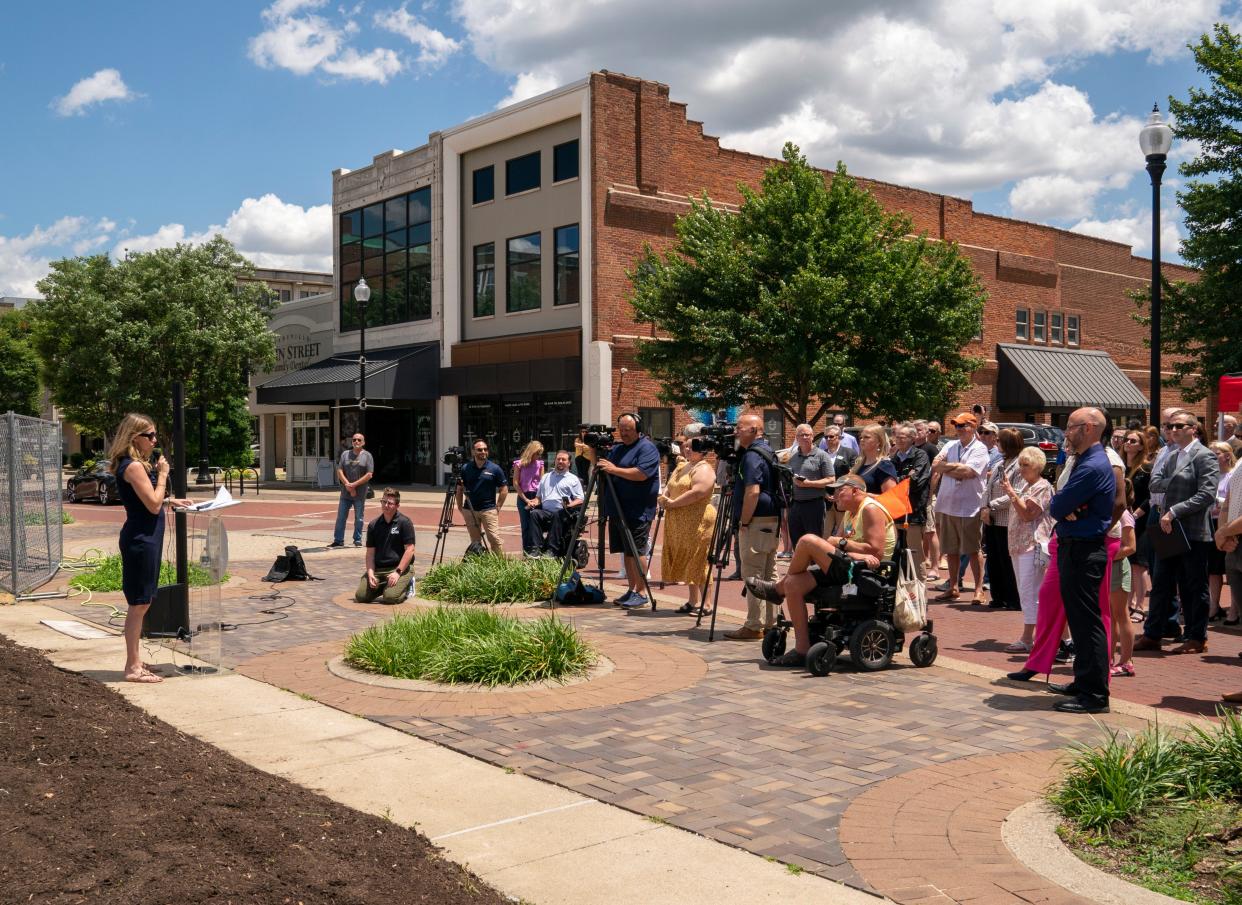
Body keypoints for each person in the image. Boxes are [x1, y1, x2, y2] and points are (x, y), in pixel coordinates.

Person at [745, 474, 896, 666]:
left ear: (856, 490)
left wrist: (840, 542)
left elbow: (876, 551)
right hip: (850, 564)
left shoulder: (871, 509)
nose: (835, 495)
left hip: (867, 573)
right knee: (793, 584)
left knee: (808, 540)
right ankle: (802, 649)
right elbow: (840, 547)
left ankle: (776, 590)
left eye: (840, 490)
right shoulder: (850, 512)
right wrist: (841, 544)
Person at [109, 414, 192, 683]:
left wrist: (171, 500)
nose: (155, 441)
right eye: (151, 436)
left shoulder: (135, 465)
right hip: (140, 540)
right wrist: (164, 475)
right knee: (139, 604)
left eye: (155, 435)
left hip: (147, 537)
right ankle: (132, 668)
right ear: (135, 437)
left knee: (143, 603)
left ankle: (135, 660)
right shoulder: (132, 466)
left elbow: (151, 501)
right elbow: (152, 505)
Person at [1045, 407, 1118, 714]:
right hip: (1077, 546)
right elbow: (1062, 505)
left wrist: (1065, 507)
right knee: (1079, 619)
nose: (1066, 433)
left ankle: (1095, 695)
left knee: (1087, 623)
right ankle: (1083, 681)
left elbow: (1056, 503)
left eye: (1071, 427)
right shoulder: (1087, 460)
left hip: (1084, 548)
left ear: (1088, 428)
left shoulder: (1093, 465)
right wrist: (1066, 507)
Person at [1135, 411, 1219, 655]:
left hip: (1192, 530)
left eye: (1178, 426)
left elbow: (1206, 494)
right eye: (1169, 426)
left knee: (1193, 584)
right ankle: (1153, 634)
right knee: (1161, 582)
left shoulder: (1205, 456)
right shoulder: (1172, 455)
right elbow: (1153, 484)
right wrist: (1173, 491)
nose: (1172, 430)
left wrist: (1174, 510)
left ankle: (1197, 636)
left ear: (1193, 428)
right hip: (1167, 528)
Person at [724, 413, 783, 640]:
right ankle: (771, 622)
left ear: (755, 430)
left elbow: (753, 491)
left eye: (740, 427)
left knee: (753, 574)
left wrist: (744, 521)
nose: (736, 431)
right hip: (772, 519)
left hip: (756, 521)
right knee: (769, 573)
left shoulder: (751, 456)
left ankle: (753, 625)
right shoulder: (768, 451)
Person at [597, 413, 660, 609]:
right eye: (621, 430)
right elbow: (605, 466)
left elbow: (641, 474)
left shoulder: (647, 448)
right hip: (618, 508)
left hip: (638, 509)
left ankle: (641, 592)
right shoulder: (619, 448)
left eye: (628, 430)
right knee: (627, 551)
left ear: (638, 429)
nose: (624, 434)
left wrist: (614, 470)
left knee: (637, 549)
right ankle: (632, 589)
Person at [931, 412, 989, 602]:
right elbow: (935, 464)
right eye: (956, 426)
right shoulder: (950, 445)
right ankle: (953, 586)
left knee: (973, 549)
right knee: (951, 549)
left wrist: (948, 468)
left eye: (963, 425)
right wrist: (954, 469)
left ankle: (978, 590)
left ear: (973, 427)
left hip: (969, 506)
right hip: (948, 504)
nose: (959, 429)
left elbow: (969, 472)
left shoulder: (980, 449)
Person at [1000, 447, 1053, 652]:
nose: (1021, 470)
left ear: (1038, 466)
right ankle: (1033, 637)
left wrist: (1011, 492)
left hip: (1032, 544)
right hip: (1018, 545)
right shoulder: (1025, 485)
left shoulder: (1042, 486)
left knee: (1031, 592)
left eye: (1026, 465)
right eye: (1020, 465)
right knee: (1025, 591)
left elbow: (1027, 515)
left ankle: (1030, 638)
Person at [658, 433, 717, 615]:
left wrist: (674, 503)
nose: (687, 449)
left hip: (698, 519)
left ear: (703, 450)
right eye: (686, 446)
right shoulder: (683, 466)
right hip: (678, 519)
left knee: (698, 559)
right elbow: (670, 484)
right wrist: (664, 497)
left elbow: (698, 491)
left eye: (692, 446)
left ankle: (707, 603)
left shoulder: (704, 468)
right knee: (686, 558)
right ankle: (693, 601)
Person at [981, 428, 1023, 611]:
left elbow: (1016, 493)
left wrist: (992, 505)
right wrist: (984, 507)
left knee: (1007, 561)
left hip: (1007, 520)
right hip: (992, 520)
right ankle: (998, 597)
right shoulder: (1000, 464)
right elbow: (986, 488)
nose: (996, 443)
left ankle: (1013, 599)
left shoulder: (1020, 465)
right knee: (994, 559)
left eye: (999, 441)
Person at [356, 488, 416, 604]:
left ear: (397, 505)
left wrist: (397, 572)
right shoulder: (373, 525)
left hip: (398, 568)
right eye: (384, 501)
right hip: (379, 569)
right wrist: (370, 573)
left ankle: (407, 585)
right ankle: (384, 587)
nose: (386, 505)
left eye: (390, 503)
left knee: (390, 598)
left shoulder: (404, 523)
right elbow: (370, 554)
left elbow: (410, 550)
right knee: (361, 596)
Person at [891, 423, 932, 581]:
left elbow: (915, 482)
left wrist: (898, 480)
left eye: (903, 437)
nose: (899, 440)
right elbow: (887, 481)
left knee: (915, 555)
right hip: (895, 512)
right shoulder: (893, 458)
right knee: (896, 554)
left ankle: (920, 593)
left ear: (913, 438)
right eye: (897, 436)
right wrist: (904, 477)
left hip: (913, 513)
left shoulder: (920, 456)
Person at [786, 423, 834, 548]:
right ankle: (801, 567)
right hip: (795, 504)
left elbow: (831, 479)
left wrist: (809, 484)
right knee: (797, 540)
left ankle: (814, 566)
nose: (805, 437)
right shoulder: (794, 457)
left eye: (808, 434)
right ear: (796, 438)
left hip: (814, 505)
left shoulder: (822, 455)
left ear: (812, 437)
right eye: (802, 435)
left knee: (814, 541)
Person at [528, 450, 585, 556]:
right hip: (546, 512)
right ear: (555, 461)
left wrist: (569, 505)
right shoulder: (546, 477)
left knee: (557, 514)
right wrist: (534, 502)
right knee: (534, 513)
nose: (560, 461)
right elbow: (538, 498)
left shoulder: (573, 479)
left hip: (564, 513)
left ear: (568, 463)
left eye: (563, 459)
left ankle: (552, 550)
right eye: (558, 459)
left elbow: (580, 499)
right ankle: (537, 548)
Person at [1107, 480, 1138, 676]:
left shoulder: (1124, 515)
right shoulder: (1108, 511)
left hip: (1118, 568)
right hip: (1108, 568)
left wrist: (1107, 556)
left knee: (1121, 614)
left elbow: (1131, 547)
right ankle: (1108, 657)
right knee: (1110, 617)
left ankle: (1126, 661)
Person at [1123, 428, 1154, 622]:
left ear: (1142, 445)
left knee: (1139, 566)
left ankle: (1140, 607)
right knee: (1126, 563)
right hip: (1122, 521)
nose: (1128, 443)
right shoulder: (1120, 467)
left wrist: (1135, 514)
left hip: (1141, 521)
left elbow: (1152, 497)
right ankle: (1127, 604)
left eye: (1133, 441)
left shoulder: (1146, 468)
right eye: (1126, 439)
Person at [456, 439, 508, 554]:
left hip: (488, 509)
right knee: (475, 541)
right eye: (479, 450)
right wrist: (460, 507)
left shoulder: (495, 468)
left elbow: (504, 489)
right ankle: (479, 564)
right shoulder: (466, 468)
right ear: (473, 452)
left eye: (485, 449)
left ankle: (499, 564)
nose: (483, 452)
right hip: (470, 510)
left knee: (494, 538)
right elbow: (459, 488)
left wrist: (498, 506)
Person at [1208, 442, 1237, 622]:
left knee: (1231, 569)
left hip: (1229, 525)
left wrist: (1218, 499)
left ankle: (1234, 609)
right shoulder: (1211, 475)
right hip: (1211, 523)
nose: (1212, 456)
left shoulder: (1234, 475)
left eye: (1216, 453)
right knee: (1213, 569)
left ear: (1227, 455)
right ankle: (1213, 606)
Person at [330, 432, 374, 548]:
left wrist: (354, 485)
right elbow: (339, 471)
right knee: (341, 517)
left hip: (359, 494)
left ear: (363, 442)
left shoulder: (367, 456)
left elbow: (369, 474)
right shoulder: (345, 454)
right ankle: (338, 540)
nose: (356, 442)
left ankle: (357, 539)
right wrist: (348, 485)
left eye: (359, 440)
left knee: (359, 518)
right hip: (345, 493)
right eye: (354, 440)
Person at [511, 441, 546, 556]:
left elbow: (542, 483)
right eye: (537, 453)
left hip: (536, 496)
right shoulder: (519, 464)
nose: (539, 456)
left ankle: (538, 550)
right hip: (523, 497)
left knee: (537, 525)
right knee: (525, 526)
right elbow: (515, 483)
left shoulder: (540, 464)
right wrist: (526, 500)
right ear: (531, 452)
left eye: (540, 453)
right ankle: (527, 552)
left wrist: (537, 499)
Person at [851, 423, 898, 494]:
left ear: (879, 441)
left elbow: (891, 497)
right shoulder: (859, 464)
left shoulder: (885, 466)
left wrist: (864, 495)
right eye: (860, 437)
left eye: (867, 437)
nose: (862, 440)